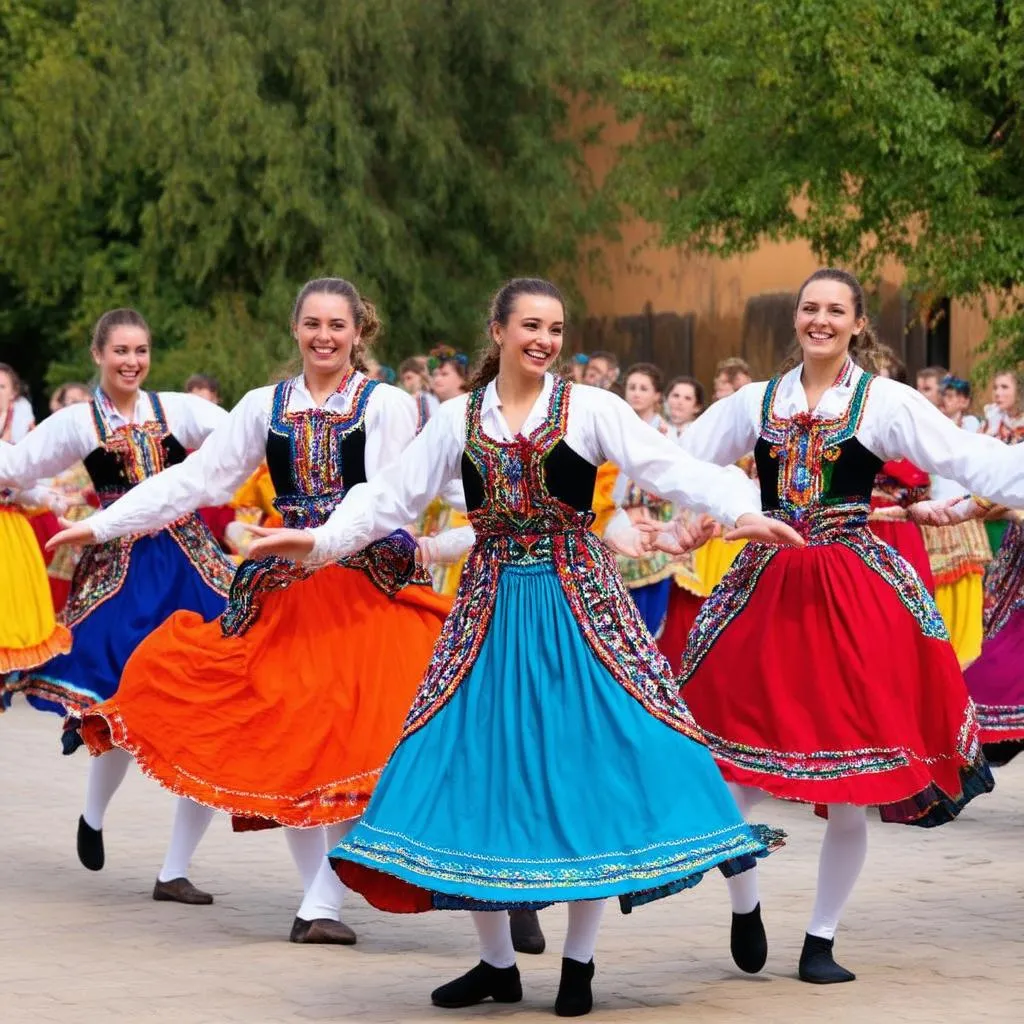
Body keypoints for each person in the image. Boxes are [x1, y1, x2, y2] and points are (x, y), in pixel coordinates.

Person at [244, 277, 799, 1017]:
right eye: (531, 325)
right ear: (498, 328)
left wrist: (740, 509)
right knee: (469, 768)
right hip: (490, 609)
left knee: (595, 765)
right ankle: (496, 963)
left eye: (556, 328)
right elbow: (387, 501)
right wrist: (317, 541)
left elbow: (669, 467)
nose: (544, 339)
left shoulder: (591, 408)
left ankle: (583, 962)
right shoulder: (455, 419)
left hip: (579, 604)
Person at [48, 278, 452, 943]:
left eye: (338, 326)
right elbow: (195, 479)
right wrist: (104, 526)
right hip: (285, 590)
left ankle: (337, 904)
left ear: (359, 332)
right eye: (313, 323)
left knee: (362, 741)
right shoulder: (263, 406)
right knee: (293, 736)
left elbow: (387, 500)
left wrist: (321, 541)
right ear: (295, 329)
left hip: (363, 588)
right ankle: (319, 905)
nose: (325, 336)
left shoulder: (386, 405)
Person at [675, 268, 1024, 985]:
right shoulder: (757, 399)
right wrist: (722, 505)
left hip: (849, 596)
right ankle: (746, 898)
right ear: (796, 319)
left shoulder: (883, 400)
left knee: (848, 784)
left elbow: (966, 457)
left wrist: (958, 501)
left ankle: (820, 938)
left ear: (857, 322)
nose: (821, 320)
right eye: (810, 308)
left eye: (835, 310)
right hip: (767, 589)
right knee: (728, 769)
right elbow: (675, 456)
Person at [0, 310, 234, 882]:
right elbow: (16, 465)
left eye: (141, 350)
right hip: (122, 574)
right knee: (124, 707)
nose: (132, 361)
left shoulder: (180, 409)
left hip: (191, 567)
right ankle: (92, 814)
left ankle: (175, 870)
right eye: (121, 351)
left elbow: (248, 435)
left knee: (212, 712)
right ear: (98, 354)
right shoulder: (78, 422)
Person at [0, 363, 72, 675]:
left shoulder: (24, 437)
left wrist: (48, 499)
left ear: (13, 395)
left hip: (8, 531)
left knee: (10, 607)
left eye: (1, 387)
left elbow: (24, 488)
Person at [923, 376, 991, 663]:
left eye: (952, 395)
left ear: (964, 401)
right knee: (940, 582)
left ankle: (970, 651)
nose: (945, 400)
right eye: (944, 394)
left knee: (969, 576)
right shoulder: (932, 429)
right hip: (939, 511)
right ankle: (944, 650)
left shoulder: (976, 429)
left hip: (966, 513)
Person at [613, 363, 675, 637]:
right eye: (632, 387)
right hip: (619, 519)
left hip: (652, 520)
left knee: (648, 612)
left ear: (656, 395)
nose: (636, 394)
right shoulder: (616, 427)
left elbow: (672, 478)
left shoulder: (666, 433)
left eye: (643, 388)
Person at [398, 356, 440, 428]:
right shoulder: (410, 400)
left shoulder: (435, 394)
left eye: (409, 378)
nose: (406, 383)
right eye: (403, 380)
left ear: (420, 375)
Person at [664, 375, 704, 443]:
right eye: (676, 396)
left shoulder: (702, 434)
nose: (680, 402)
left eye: (687, 398)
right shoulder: (655, 429)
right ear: (667, 399)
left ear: (697, 407)